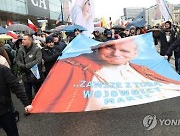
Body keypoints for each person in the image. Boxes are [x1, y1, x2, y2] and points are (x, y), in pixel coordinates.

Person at [31, 37, 180, 113]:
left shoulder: (142, 69)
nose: (116, 53)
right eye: (109, 47)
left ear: (134, 54)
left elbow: (168, 85)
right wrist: (36, 105)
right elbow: (55, 90)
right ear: (98, 49)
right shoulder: (72, 66)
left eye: (125, 51)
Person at [0, 64, 33, 136]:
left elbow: (16, 86)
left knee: (13, 134)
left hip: (5, 111)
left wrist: (26, 103)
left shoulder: (2, 69)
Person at [16, 33, 44, 102]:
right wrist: (22, 66)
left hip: (35, 73)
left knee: (37, 90)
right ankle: (29, 106)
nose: (22, 41)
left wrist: (27, 66)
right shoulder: (20, 49)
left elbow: (38, 60)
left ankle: (39, 104)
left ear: (30, 40)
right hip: (25, 74)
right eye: (22, 39)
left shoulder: (37, 49)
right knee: (27, 91)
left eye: (24, 39)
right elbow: (17, 60)